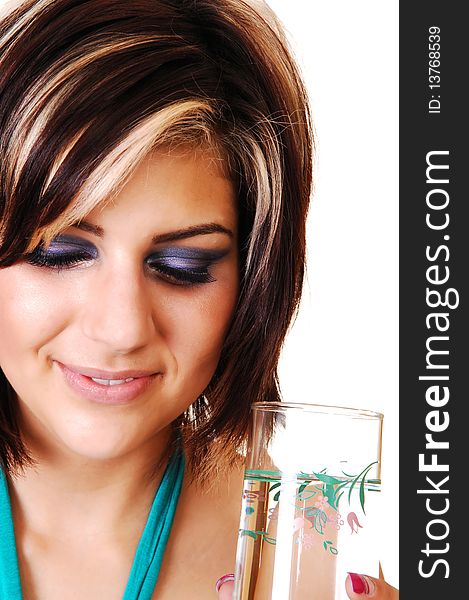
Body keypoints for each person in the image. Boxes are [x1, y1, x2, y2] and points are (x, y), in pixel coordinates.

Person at [0, 0, 398, 597]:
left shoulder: (296, 559)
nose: (121, 327)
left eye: (181, 267)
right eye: (59, 253)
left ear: (254, 281)